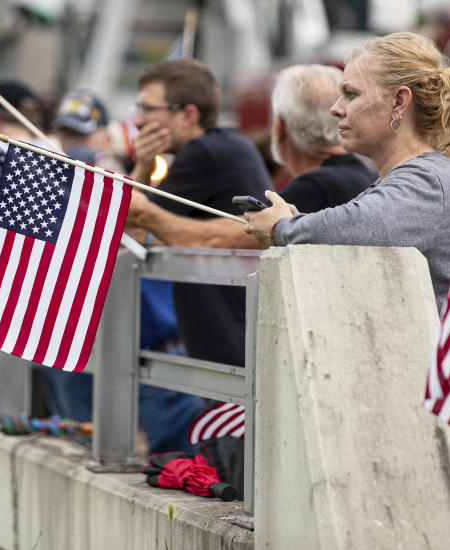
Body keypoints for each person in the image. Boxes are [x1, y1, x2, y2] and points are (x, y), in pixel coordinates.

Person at [244, 32, 450, 315]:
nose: (335, 108)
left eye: (351, 94)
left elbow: (358, 224)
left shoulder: (427, 181)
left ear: (399, 102)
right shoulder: (414, 177)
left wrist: (282, 227)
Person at [40, 88, 204, 455]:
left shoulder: (133, 180)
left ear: (106, 134)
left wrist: (122, 170)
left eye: (82, 133)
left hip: (154, 347)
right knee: (82, 456)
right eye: (67, 134)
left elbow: (133, 221)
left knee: (174, 463)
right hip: (81, 348)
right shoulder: (52, 182)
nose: (73, 143)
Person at [126, 64, 376, 248]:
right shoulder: (358, 176)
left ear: (278, 127)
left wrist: (144, 209)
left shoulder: (316, 187)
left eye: (147, 109)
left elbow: (220, 238)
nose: (137, 120)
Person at [129, 59, 273, 367]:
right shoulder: (227, 144)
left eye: (148, 109)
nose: (138, 121)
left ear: (188, 114)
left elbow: (131, 223)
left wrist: (142, 165)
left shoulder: (203, 152)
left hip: (229, 337)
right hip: (239, 329)